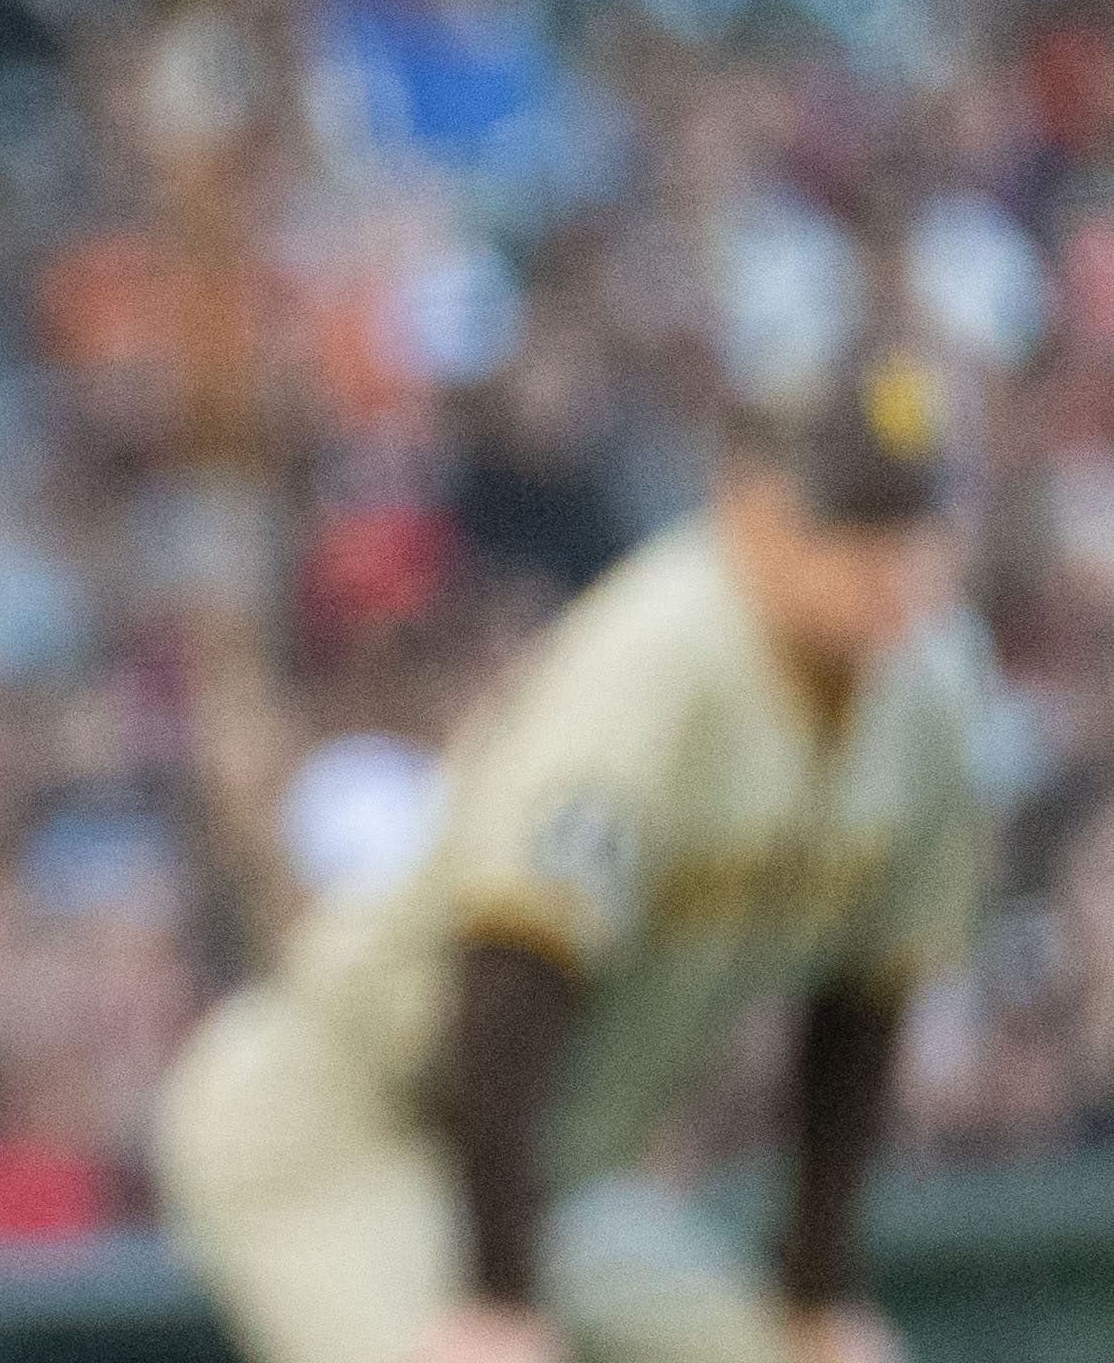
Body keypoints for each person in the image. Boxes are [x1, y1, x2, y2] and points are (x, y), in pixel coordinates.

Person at [153, 349, 990, 1363]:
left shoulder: (923, 701)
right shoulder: (657, 653)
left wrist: (818, 1295)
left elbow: (859, 1010)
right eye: (855, 523)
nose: (889, 560)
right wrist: (496, 1299)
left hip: (546, 1172)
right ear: (750, 504)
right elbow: (513, 968)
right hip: (342, 1120)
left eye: (911, 526)